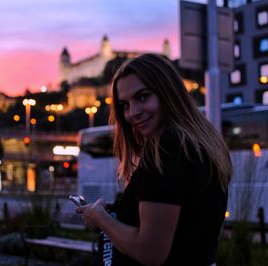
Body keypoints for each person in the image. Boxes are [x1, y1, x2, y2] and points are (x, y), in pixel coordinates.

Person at [76, 53, 232, 266]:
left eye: (142, 97)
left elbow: (150, 252)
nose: (133, 113)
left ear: (168, 93)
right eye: (125, 105)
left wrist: (99, 218)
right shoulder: (202, 143)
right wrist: (113, 213)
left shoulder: (166, 149)